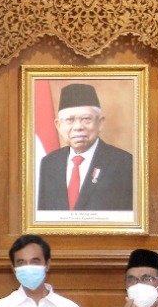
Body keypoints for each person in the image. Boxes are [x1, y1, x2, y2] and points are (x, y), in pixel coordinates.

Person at [37, 82, 134, 212]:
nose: (78, 127)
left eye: (86, 119)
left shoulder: (124, 163)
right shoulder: (49, 163)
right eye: (70, 120)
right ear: (58, 125)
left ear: (100, 123)